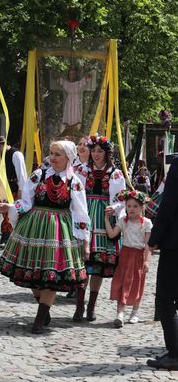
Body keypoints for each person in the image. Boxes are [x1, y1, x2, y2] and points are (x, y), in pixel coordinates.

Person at [0, 140, 91, 334]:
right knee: (32, 272)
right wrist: (10, 207)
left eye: (58, 154)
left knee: (51, 275)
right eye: (51, 153)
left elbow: (81, 213)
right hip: (33, 227)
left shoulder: (74, 182)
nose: (53, 158)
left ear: (68, 158)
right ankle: (44, 308)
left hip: (59, 231)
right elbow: (26, 201)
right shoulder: (38, 175)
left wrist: (85, 241)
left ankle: (39, 319)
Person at [73, 135, 126, 322]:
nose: (96, 154)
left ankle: (91, 306)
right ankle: (79, 304)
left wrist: (116, 208)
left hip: (103, 218)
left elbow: (121, 198)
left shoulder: (115, 173)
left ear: (107, 153)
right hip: (84, 215)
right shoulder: (81, 170)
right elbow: (74, 191)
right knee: (82, 263)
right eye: (93, 150)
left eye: (99, 151)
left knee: (97, 265)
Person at [146, 157, 178, 370]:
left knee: (166, 300)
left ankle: (175, 354)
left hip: (176, 243)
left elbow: (169, 204)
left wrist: (154, 237)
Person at [104, 189, 152, 328]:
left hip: (139, 255)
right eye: (129, 206)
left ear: (142, 208)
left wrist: (147, 260)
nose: (131, 209)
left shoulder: (147, 223)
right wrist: (107, 219)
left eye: (135, 206)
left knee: (137, 283)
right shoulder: (123, 221)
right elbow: (112, 234)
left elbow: (148, 244)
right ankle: (120, 313)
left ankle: (135, 312)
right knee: (122, 282)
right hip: (125, 255)